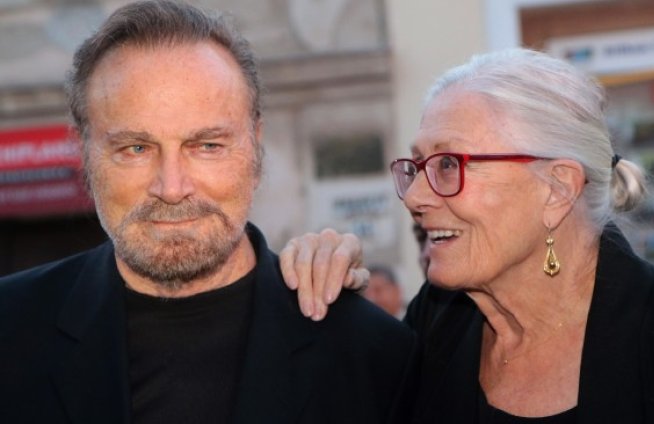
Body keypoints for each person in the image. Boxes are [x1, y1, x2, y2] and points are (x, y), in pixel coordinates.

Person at [281, 48, 654, 422]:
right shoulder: (438, 318)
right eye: (418, 166)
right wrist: (326, 298)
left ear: (557, 189)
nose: (416, 197)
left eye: (448, 164)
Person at [0, 2, 416, 423]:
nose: (172, 187)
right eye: (136, 148)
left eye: (207, 146)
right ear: (84, 154)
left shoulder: (372, 355)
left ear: (255, 147)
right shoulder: (10, 330)